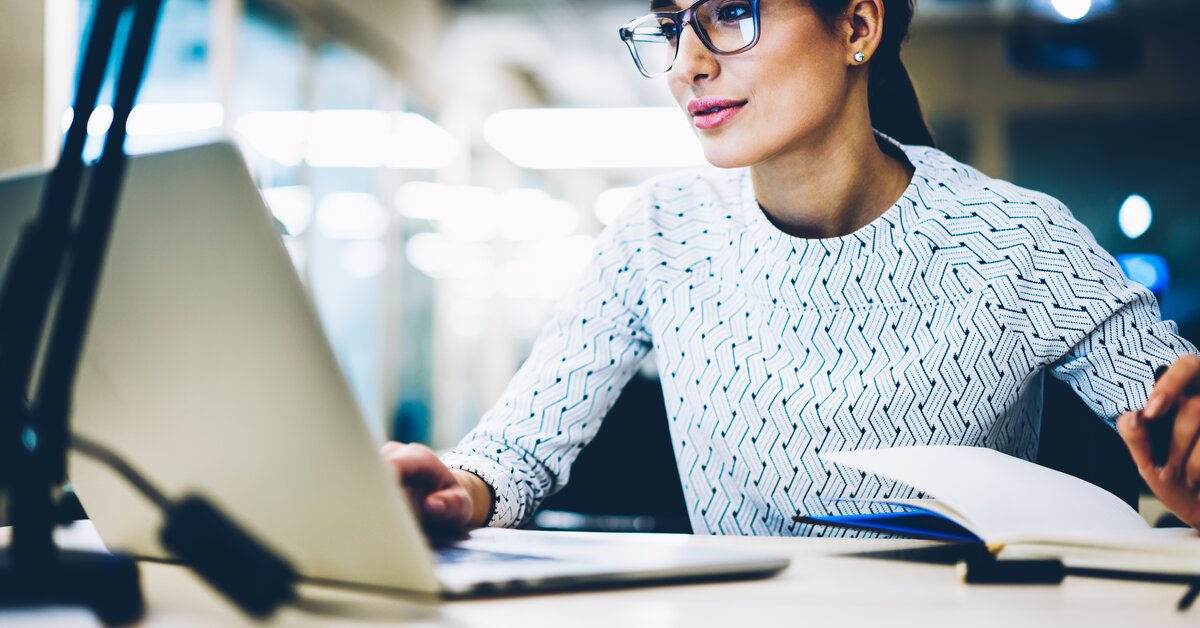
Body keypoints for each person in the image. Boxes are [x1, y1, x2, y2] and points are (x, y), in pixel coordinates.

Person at [380, 0, 1200, 535]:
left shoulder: (1016, 241)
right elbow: (516, 453)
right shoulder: (660, 236)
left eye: (730, 14)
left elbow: (1180, 420)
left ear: (857, 28)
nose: (686, 65)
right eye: (670, 27)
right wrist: (459, 489)